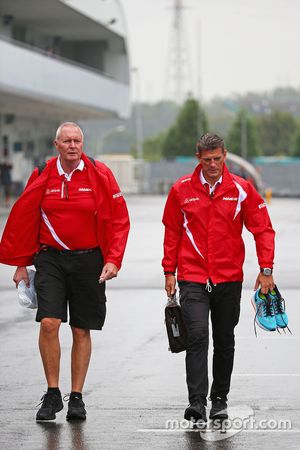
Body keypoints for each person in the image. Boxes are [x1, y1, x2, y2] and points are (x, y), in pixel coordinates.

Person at [0, 122, 130, 421]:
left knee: (81, 328)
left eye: (78, 141)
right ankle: (53, 393)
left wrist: (113, 259)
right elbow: (25, 219)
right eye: (67, 141)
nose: (73, 146)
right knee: (48, 323)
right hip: (51, 260)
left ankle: (77, 397)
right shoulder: (42, 173)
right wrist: (21, 263)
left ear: (82, 144)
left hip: (89, 261)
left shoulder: (100, 174)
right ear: (56, 144)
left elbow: (119, 220)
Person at [162, 133, 275, 423]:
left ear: (225, 155)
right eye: (207, 159)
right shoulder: (181, 190)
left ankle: (220, 398)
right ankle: (197, 401)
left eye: (217, 158)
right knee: (197, 336)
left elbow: (263, 230)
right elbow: (172, 232)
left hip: (228, 278)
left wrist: (266, 270)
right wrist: (169, 270)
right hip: (193, 277)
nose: (213, 164)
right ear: (198, 157)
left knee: (224, 340)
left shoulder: (242, 189)